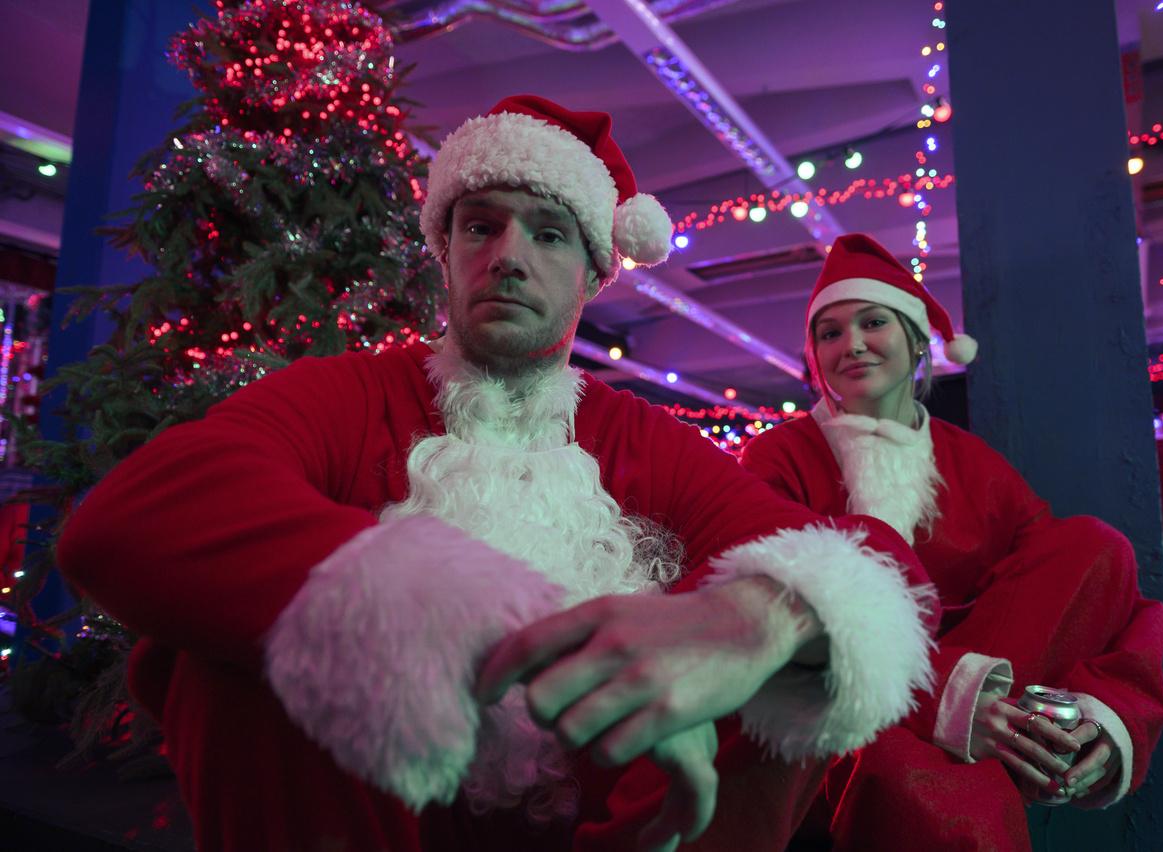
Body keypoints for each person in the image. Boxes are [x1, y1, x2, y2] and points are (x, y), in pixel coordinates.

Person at [57, 98, 940, 852]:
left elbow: (871, 565)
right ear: (444, 251)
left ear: (595, 273)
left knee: (797, 655)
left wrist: (753, 621)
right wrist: (455, 612)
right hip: (366, 816)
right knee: (231, 658)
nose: (508, 255)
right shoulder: (352, 391)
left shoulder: (639, 437)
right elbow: (135, 517)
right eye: (480, 225)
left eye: (549, 233)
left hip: (609, 821)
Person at [740, 233, 1163, 851]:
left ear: (917, 341)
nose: (852, 344)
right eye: (829, 332)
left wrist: (1109, 713)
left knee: (1096, 545)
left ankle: (1019, 733)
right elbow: (781, 616)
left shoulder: (972, 463)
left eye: (873, 322)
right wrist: (946, 698)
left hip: (985, 692)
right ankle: (982, 741)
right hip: (843, 696)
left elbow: (1095, 586)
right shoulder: (779, 456)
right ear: (814, 356)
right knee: (941, 800)